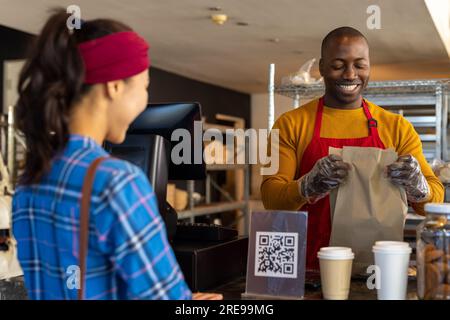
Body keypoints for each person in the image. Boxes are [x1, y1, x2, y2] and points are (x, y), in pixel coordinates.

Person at [12, 9, 221, 300]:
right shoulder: (117, 182)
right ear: (114, 86)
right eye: (144, 86)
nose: (146, 99)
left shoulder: (29, 179)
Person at [261, 26, 444, 270]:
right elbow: (270, 199)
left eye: (359, 65)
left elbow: (434, 199)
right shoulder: (289, 124)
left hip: (377, 268)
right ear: (323, 67)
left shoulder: (398, 127)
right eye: (338, 65)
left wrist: (417, 186)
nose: (350, 74)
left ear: (369, 66)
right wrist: (306, 185)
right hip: (306, 269)